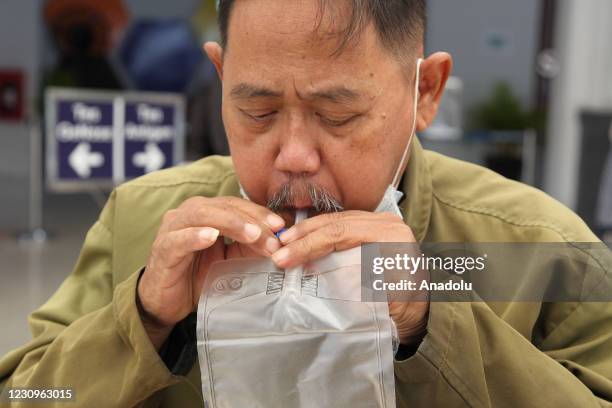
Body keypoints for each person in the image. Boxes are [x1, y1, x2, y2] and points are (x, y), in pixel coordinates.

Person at [2, 0, 612, 407]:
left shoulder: (535, 248)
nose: (293, 155)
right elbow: (28, 397)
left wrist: (432, 320)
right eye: (257, 111)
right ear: (220, 79)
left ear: (425, 91)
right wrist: (141, 323)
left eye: (337, 114)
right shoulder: (141, 221)